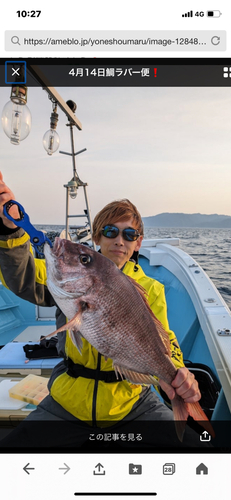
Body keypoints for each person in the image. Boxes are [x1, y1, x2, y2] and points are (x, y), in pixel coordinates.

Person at [0, 172, 205, 449]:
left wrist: (179, 373)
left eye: (129, 234)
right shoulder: (67, 277)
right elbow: (24, 279)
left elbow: (165, 340)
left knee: (200, 454)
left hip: (132, 403)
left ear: (138, 243)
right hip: (67, 402)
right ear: (97, 236)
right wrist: (11, 231)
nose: (120, 240)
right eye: (111, 231)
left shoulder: (151, 289)